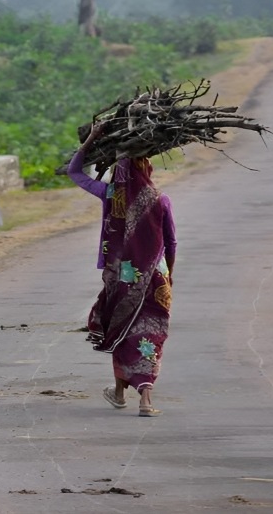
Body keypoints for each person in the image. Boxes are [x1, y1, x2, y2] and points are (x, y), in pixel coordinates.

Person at [67, 124, 176, 417]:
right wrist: (169, 274)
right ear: (146, 167)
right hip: (155, 278)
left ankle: (120, 392)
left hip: (121, 278)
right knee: (150, 333)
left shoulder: (110, 194)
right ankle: (144, 398)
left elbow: (74, 172)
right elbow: (171, 242)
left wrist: (90, 140)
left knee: (122, 330)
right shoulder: (160, 199)